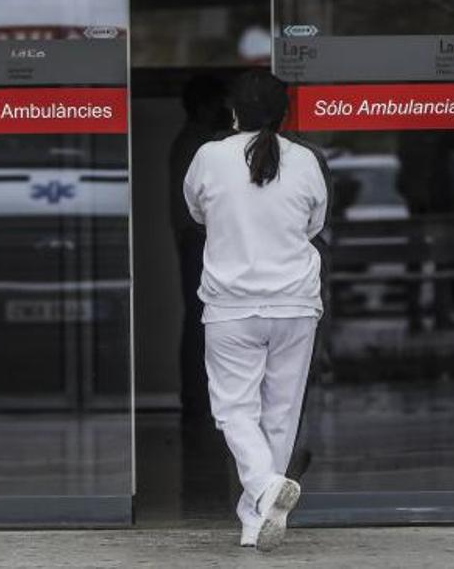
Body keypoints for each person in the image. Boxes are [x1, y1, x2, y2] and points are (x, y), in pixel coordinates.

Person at [183, 70, 329, 551]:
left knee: (234, 409)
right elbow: (314, 224)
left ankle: (264, 488)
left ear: (233, 112)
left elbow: (197, 212)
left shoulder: (209, 157)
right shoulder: (305, 160)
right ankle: (255, 517)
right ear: (285, 113)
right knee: (281, 413)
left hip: (232, 306)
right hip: (294, 303)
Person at [169, 74, 231, 420]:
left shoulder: (195, 143)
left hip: (198, 240)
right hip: (199, 241)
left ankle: (198, 400)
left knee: (200, 321)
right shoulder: (199, 146)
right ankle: (197, 400)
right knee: (201, 321)